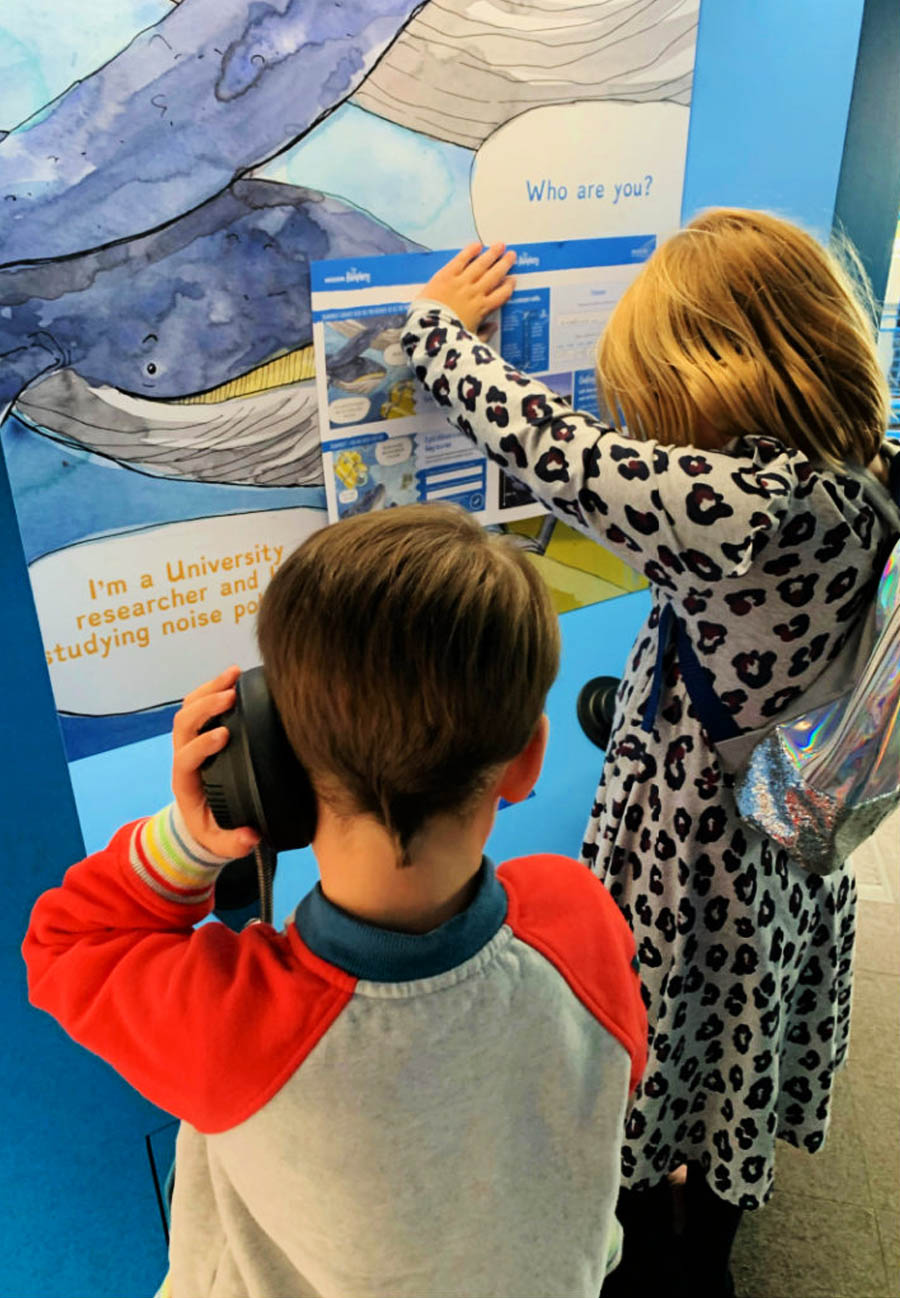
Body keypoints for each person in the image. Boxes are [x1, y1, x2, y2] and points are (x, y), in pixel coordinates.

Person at [400, 210, 900, 1297]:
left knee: (658, 1030)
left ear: (725, 377)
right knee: (743, 1028)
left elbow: (554, 450)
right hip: (787, 818)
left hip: (695, 848)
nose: (647, 428)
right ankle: (711, 1221)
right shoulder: (857, 470)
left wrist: (436, 330)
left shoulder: (741, 508)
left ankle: (655, 1252)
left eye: (656, 398)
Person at [23, 503, 647, 1298]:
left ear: (265, 765)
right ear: (528, 763)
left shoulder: (231, 1028)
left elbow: (67, 943)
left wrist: (187, 839)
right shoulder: (579, 920)